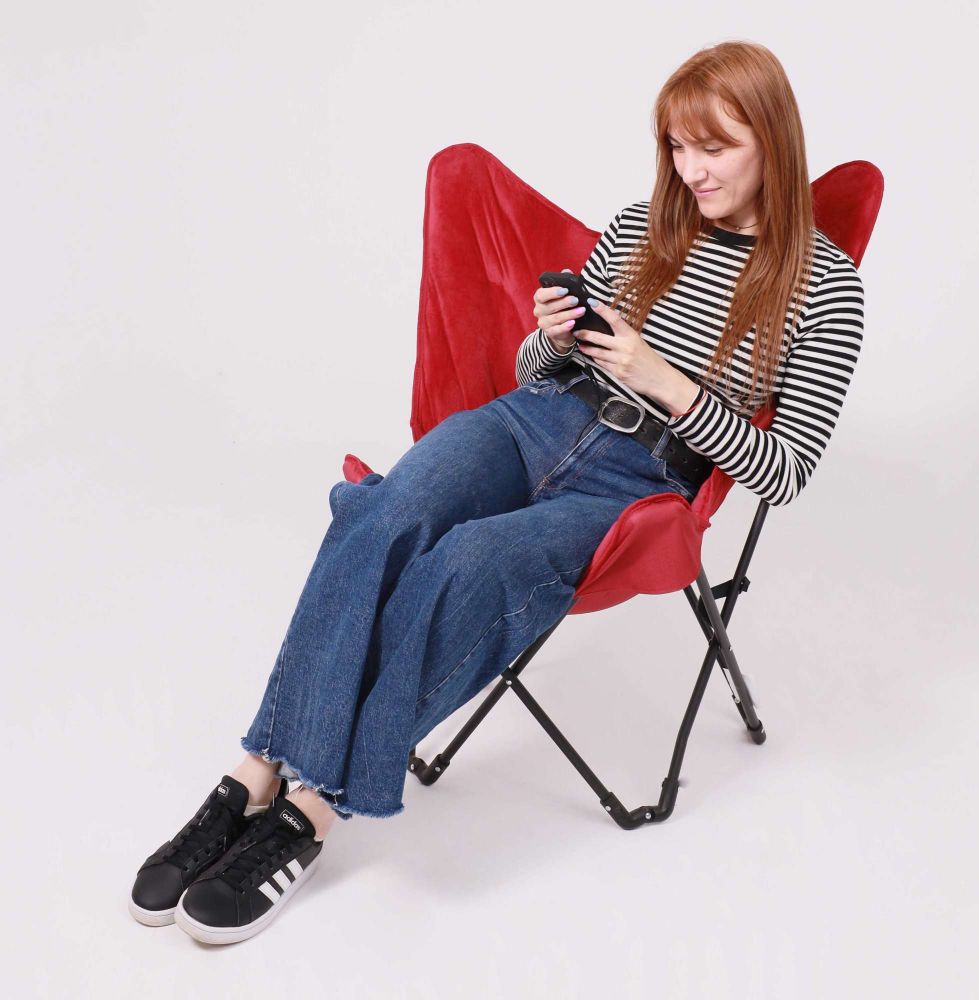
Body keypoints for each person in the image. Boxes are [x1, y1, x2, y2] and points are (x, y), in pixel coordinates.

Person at [129, 39, 865, 945]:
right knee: (383, 513)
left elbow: (783, 471)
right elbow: (532, 371)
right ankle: (252, 776)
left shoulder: (825, 288)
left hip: (638, 484)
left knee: (470, 560)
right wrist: (551, 336)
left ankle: (308, 815)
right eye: (678, 146)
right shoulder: (642, 226)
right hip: (531, 420)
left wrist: (665, 381)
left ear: (772, 142)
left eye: (715, 147)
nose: (692, 170)